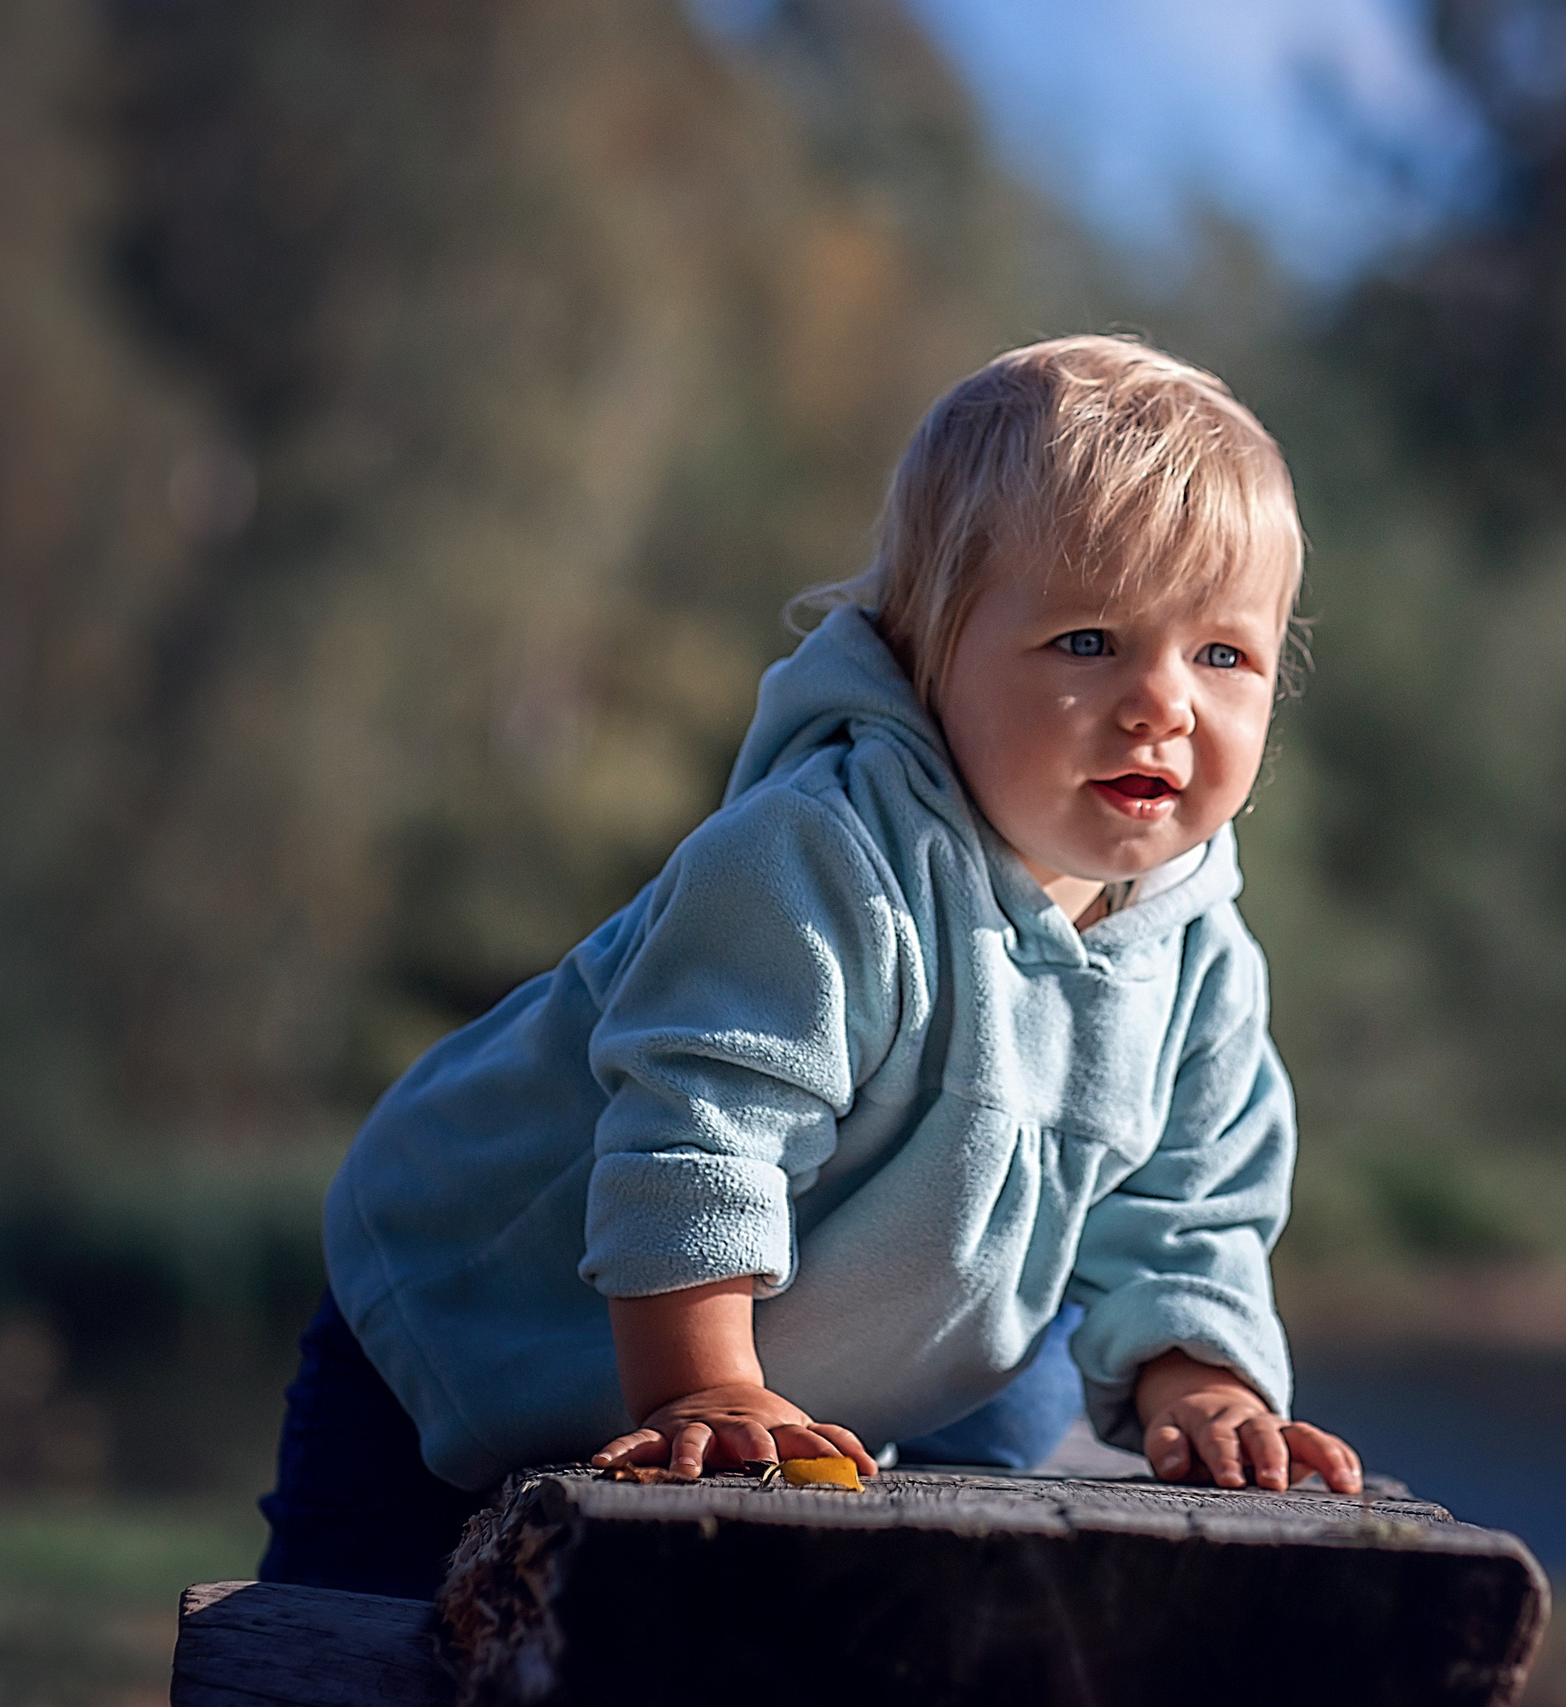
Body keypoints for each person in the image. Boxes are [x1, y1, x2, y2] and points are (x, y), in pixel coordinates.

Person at [257, 334, 1361, 1600]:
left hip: (859, 1344)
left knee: (1009, 1424)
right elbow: (703, 1133)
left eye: (1221, 656)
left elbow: (1190, 1212)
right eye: (1088, 640)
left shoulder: (1201, 956)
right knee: (356, 1631)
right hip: (478, 1315)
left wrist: (1203, 1385)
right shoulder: (821, 857)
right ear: (928, 650)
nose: (1162, 702)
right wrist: (702, 1385)